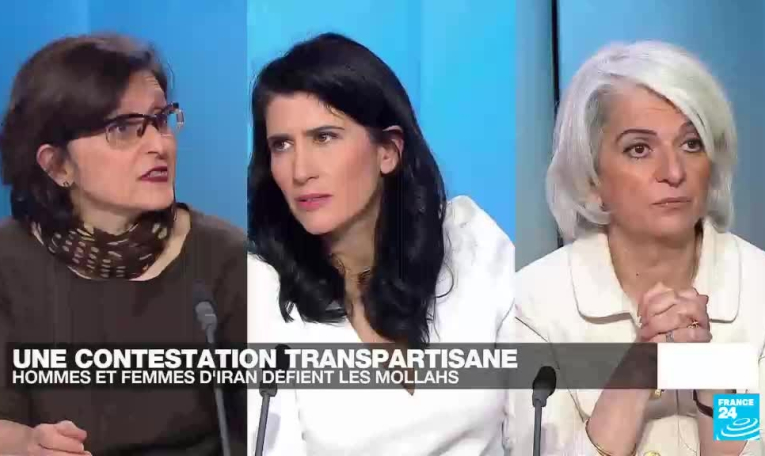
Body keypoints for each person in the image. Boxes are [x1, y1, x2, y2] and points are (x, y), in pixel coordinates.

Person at [247, 33, 515, 455]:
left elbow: (534, 427)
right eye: (281, 145)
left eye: (324, 137)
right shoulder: (262, 292)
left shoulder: (470, 241)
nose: (300, 171)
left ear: (388, 151)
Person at [512, 41, 765, 455]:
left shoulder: (759, 290)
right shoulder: (533, 308)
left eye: (691, 144)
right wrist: (637, 370)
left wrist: (713, 377)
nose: (673, 172)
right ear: (591, 179)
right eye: (639, 149)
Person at [0, 34, 247, 455]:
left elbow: (268, 425)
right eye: (124, 129)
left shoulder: (223, 256)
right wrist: (25, 444)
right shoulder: (9, 262)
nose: (159, 145)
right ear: (57, 165)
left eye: (160, 120)